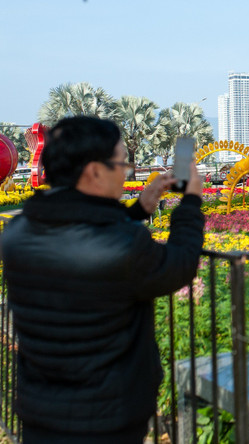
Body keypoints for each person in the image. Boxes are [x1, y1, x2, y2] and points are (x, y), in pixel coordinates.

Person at [0, 116, 205, 443]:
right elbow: (178, 265)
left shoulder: (18, 232)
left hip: (40, 410)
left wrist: (138, 209)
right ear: (95, 171)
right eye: (121, 163)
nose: (124, 172)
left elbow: (80, 221)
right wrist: (191, 202)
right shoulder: (120, 245)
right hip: (106, 417)